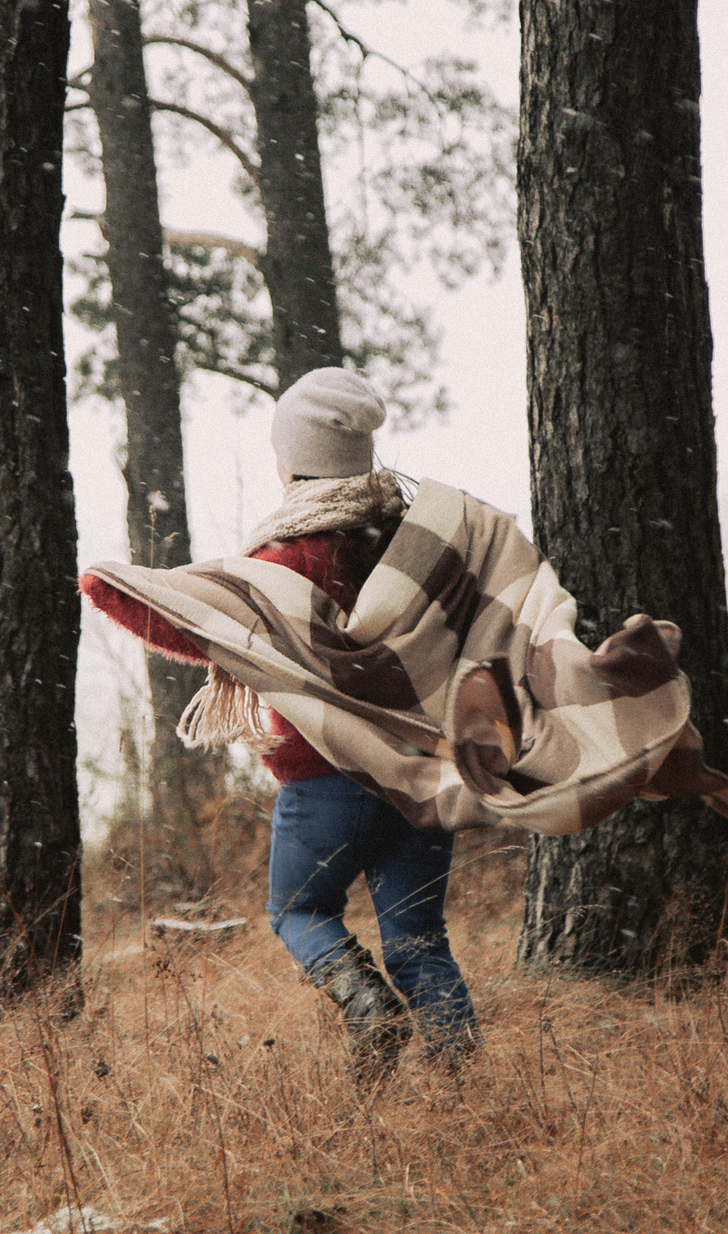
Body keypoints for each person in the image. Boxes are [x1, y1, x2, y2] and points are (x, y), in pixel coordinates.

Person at [83, 367, 475, 1081]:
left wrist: (111, 592)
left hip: (329, 780)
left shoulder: (286, 554)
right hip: (423, 772)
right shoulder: (411, 539)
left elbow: (215, 634)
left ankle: (367, 1007)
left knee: (298, 909)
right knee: (419, 938)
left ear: (292, 459)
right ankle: (464, 1086)